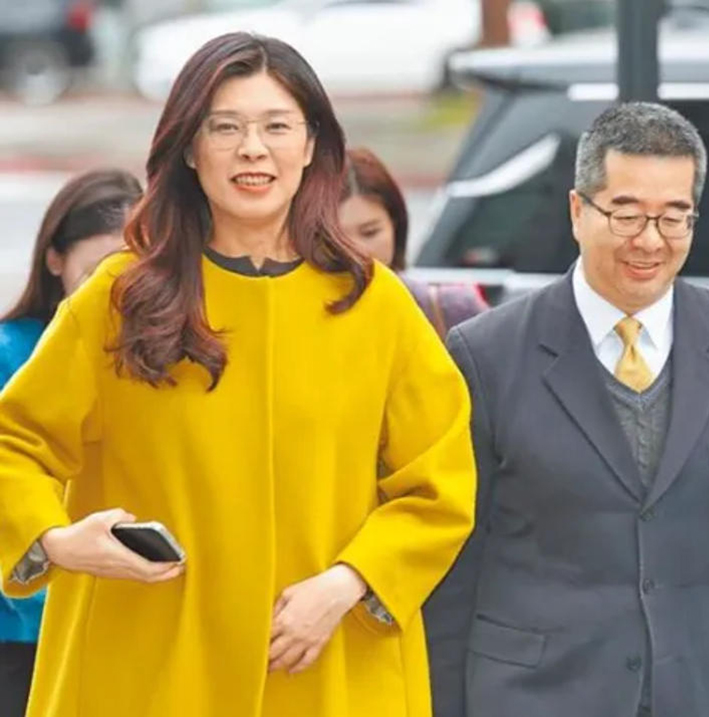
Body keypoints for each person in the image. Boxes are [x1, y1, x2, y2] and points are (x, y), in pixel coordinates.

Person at [0, 33, 476, 717]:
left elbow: (438, 486)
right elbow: (14, 442)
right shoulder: (119, 296)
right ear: (190, 150)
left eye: (276, 126)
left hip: (326, 665)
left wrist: (349, 581)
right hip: (145, 668)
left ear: (311, 145)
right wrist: (57, 540)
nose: (253, 149)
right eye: (225, 127)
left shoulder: (374, 305)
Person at [426, 102, 709, 717]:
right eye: (626, 214)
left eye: (673, 217)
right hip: (535, 697)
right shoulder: (484, 354)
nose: (650, 240)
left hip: (706, 692)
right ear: (578, 211)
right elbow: (453, 570)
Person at [0, 168, 142, 717]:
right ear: (55, 259)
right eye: (98, 272)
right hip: (22, 629)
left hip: (119, 614)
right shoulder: (12, 354)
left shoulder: (155, 358)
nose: (113, 291)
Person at [339, 147, 487, 339]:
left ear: (395, 224)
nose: (356, 251)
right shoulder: (301, 318)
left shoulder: (451, 309)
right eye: (335, 237)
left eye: (370, 232)